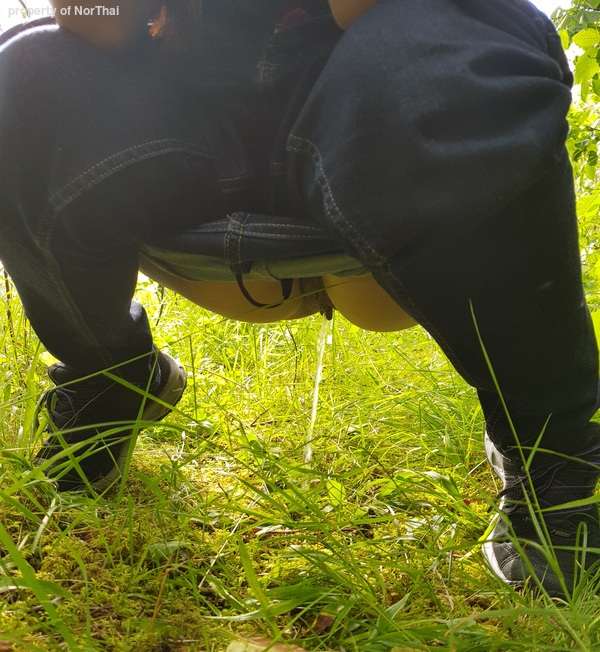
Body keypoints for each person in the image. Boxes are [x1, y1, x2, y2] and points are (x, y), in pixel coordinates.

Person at [0, 0, 598, 597]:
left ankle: (553, 441)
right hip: (193, 119)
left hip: (386, 123)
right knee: (25, 71)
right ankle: (109, 374)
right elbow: (97, 22)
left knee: (429, 45)